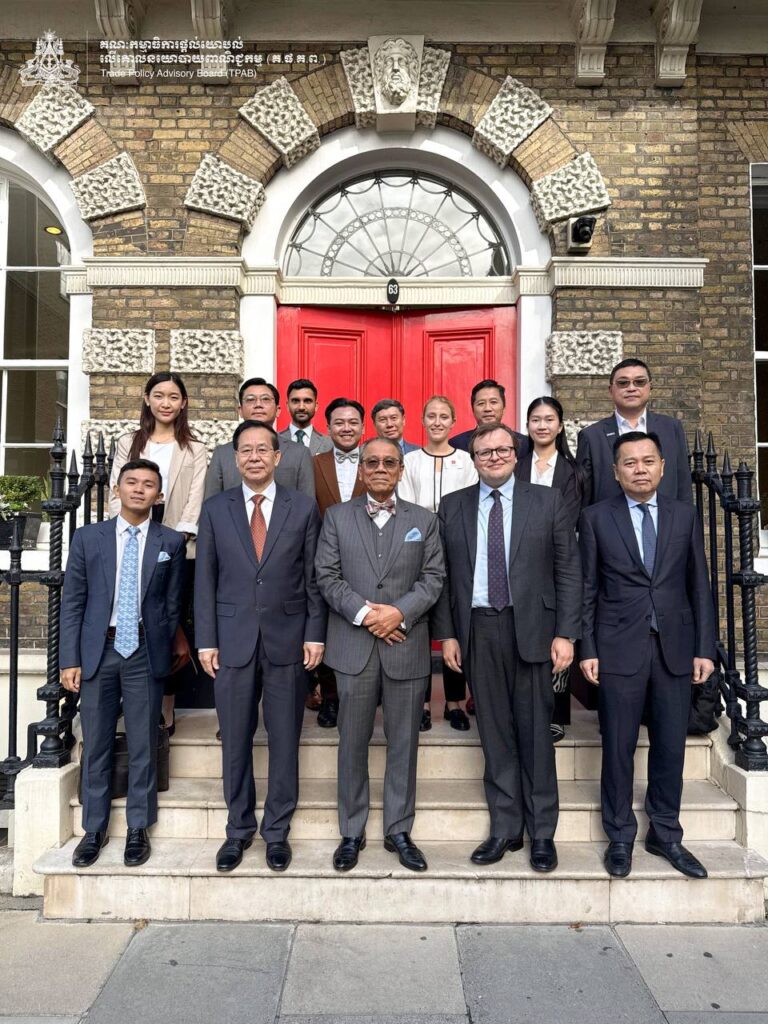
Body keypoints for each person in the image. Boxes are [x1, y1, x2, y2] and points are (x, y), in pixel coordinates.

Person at [432, 422, 581, 872]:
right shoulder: (452, 506)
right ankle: (504, 829)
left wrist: (566, 634)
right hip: (478, 629)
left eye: (501, 450)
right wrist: (449, 635)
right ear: (473, 460)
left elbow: (568, 570)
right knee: (494, 734)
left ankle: (541, 834)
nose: (493, 458)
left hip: (533, 628)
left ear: (515, 454)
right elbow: (444, 580)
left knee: (536, 733)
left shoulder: (547, 501)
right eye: (484, 452)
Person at [579, 431, 715, 880]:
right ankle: (620, 835)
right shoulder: (597, 518)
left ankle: (666, 833)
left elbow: (699, 585)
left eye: (647, 461)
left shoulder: (684, 515)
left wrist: (704, 648)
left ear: (662, 466)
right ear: (616, 472)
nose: (640, 469)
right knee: (617, 747)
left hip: (675, 648)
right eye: (630, 463)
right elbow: (588, 591)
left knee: (671, 746)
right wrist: (589, 649)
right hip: (618, 648)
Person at [195, 421, 326, 873]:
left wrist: (315, 632)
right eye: (245, 450)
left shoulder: (303, 507)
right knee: (235, 739)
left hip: (288, 639)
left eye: (262, 449)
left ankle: (277, 832)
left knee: (285, 738)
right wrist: (206, 639)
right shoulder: (215, 509)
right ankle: (238, 830)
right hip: (231, 641)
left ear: (278, 457)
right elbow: (205, 579)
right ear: (235, 459)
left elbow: (313, 578)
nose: (254, 456)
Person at [315, 438, 445, 873]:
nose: (380, 469)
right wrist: (368, 615)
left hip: (406, 647)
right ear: (362, 470)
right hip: (354, 649)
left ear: (401, 470)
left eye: (389, 462)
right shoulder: (336, 517)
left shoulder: (424, 521)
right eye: (372, 462)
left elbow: (433, 578)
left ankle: (398, 829)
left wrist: (400, 614)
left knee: (403, 742)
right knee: (351, 742)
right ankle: (351, 831)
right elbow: (327, 576)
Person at [61, 459, 186, 868]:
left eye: (148, 484)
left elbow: (172, 604)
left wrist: (163, 646)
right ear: (117, 489)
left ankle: (137, 827)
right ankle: (94, 829)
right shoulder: (87, 538)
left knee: (142, 743)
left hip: (145, 652)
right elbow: (73, 602)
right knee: (95, 742)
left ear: (159, 495)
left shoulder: (170, 541)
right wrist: (71, 659)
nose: (139, 489)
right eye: (131, 482)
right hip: (101, 651)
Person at [109, 371, 208, 735]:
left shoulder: (195, 448)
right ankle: (131, 698)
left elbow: (196, 497)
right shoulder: (128, 443)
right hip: (132, 543)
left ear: (183, 403)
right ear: (147, 399)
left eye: (173, 397)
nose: (166, 402)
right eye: (159, 395)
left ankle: (165, 711)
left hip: (178, 545)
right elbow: (115, 490)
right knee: (135, 619)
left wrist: (177, 537)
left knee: (169, 625)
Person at [399, 395, 477, 732]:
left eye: (444, 416)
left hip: (459, 551)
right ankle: (422, 703)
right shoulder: (411, 461)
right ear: (423, 420)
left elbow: (472, 502)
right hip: (419, 551)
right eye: (431, 415)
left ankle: (455, 702)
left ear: (453, 421)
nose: (437, 421)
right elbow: (407, 505)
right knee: (420, 628)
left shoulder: (467, 460)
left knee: (455, 627)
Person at [515, 396, 582, 741]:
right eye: (535, 420)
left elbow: (569, 519)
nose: (542, 425)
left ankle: (555, 714)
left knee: (558, 634)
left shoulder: (573, 471)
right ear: (527, 426)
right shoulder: (516, 465)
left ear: (559, 425)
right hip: (517, 562)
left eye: (548, 419)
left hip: (556, 559)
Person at [311, 397, 367, 728]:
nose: (346, 428)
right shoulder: (313, 462)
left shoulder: (375, 460)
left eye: (353, 422)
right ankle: (330, 699)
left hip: (368, 560)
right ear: (328, 427)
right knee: (329, 630)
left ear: (362, 426)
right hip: (326, 559)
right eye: (339, 423)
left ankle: (365, 698)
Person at [576, 358, 691, 507]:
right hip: (609, 525)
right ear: (611, 390)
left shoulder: (671, 428)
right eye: (623, 383)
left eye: (639, 382)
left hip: (666, 522)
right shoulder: (591, 436)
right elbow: (584, 495)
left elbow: (684, 483)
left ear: (650, 387)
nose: (631, 388)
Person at [204, 378, 315, 501]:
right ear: (240, 410)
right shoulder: (222, 454)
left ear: (278, 410)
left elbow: (307, 506)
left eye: (265, 399)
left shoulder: (300, 453)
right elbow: (211, 507)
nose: (258, 405)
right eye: (251, 399)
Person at [449, 379, 528, 458]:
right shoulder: (456, 444)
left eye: (493, 402)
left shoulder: (525, 444)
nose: (487, 408)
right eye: (481, 403)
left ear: (504, 408)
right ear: (473, 410)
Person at [279, 378, 333, 454]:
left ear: (316, 406)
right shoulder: (274, 440)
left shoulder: (330, 444)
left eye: (307, 401)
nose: (301, 407)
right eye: (295, 401)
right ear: (287, 405)